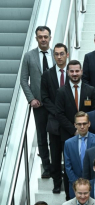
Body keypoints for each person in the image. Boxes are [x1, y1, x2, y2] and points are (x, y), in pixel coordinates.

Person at [20, 26, 54, 178]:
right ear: (36, 38)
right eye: (40, 37)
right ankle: (46, 167)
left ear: (50, 37)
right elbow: (23, 80)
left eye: (46, 36)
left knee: (55, 135)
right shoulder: (29, 56)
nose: (43, 39)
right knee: (41, 135)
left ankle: (56, 166)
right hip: (39, 104)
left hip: (55, 103)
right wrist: (31, 99)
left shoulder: (56, 54)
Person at [40, 42, 69, 193]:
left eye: (61, 54)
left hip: (70, 121)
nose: (59, 57)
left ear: (67, 55)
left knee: (69, 155)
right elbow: (44, 98)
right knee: (56, 155)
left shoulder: (73, 72)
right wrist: (58, 112)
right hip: (54, 121)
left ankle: (70, 184)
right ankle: (57, 183)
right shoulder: (47, 74)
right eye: (56, 54)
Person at [55, 60, 95, 147]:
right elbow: (59, 114)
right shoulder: (61, 92)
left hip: (88, 134)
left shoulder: (90, 90)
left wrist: (84, 128)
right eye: (72, 71)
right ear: (67, 72)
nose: (74, 74)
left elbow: (94, 111)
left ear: (81, 71)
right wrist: (74, 130)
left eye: (77, 71)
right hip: (68, 134)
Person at [63, 112, 95, 198]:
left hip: (93, 184)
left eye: (84, 123)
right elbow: (68, 166)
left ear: (89, 124)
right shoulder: (68, 143)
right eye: (79, 124)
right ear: (75, 125)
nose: (82, 127)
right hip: (74, 186)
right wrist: (76, 183)